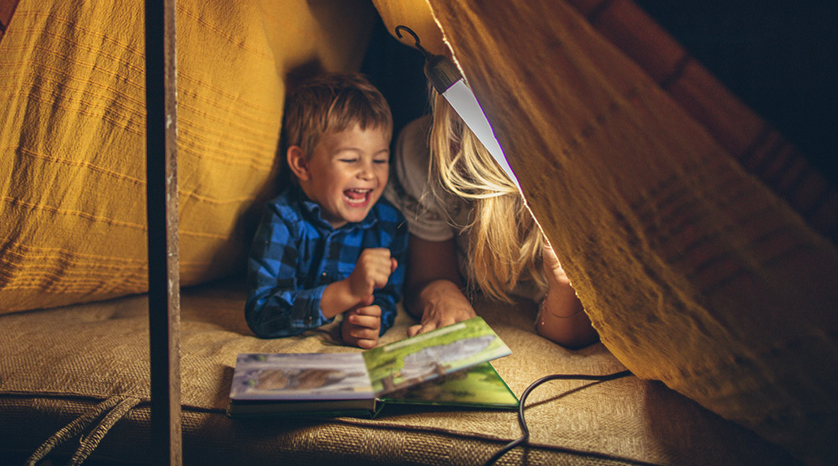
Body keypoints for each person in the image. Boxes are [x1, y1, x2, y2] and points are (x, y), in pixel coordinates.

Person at [384, 91, 598, 349]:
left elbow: (570, 334)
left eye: (468, 130)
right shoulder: (423, 151)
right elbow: (429, 275)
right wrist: (441, 292)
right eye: (451, 123)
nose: (449, 146)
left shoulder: (566, 191)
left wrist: (563, 288)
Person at [245, 73, 408, 349]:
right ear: (302, 164)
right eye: (350, 159)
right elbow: (262, 313)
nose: (369, 173)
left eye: (380, 159)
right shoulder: (283, 219)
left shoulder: (391, 225)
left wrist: (368, 321)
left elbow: (386, 297)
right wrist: (346, 292)